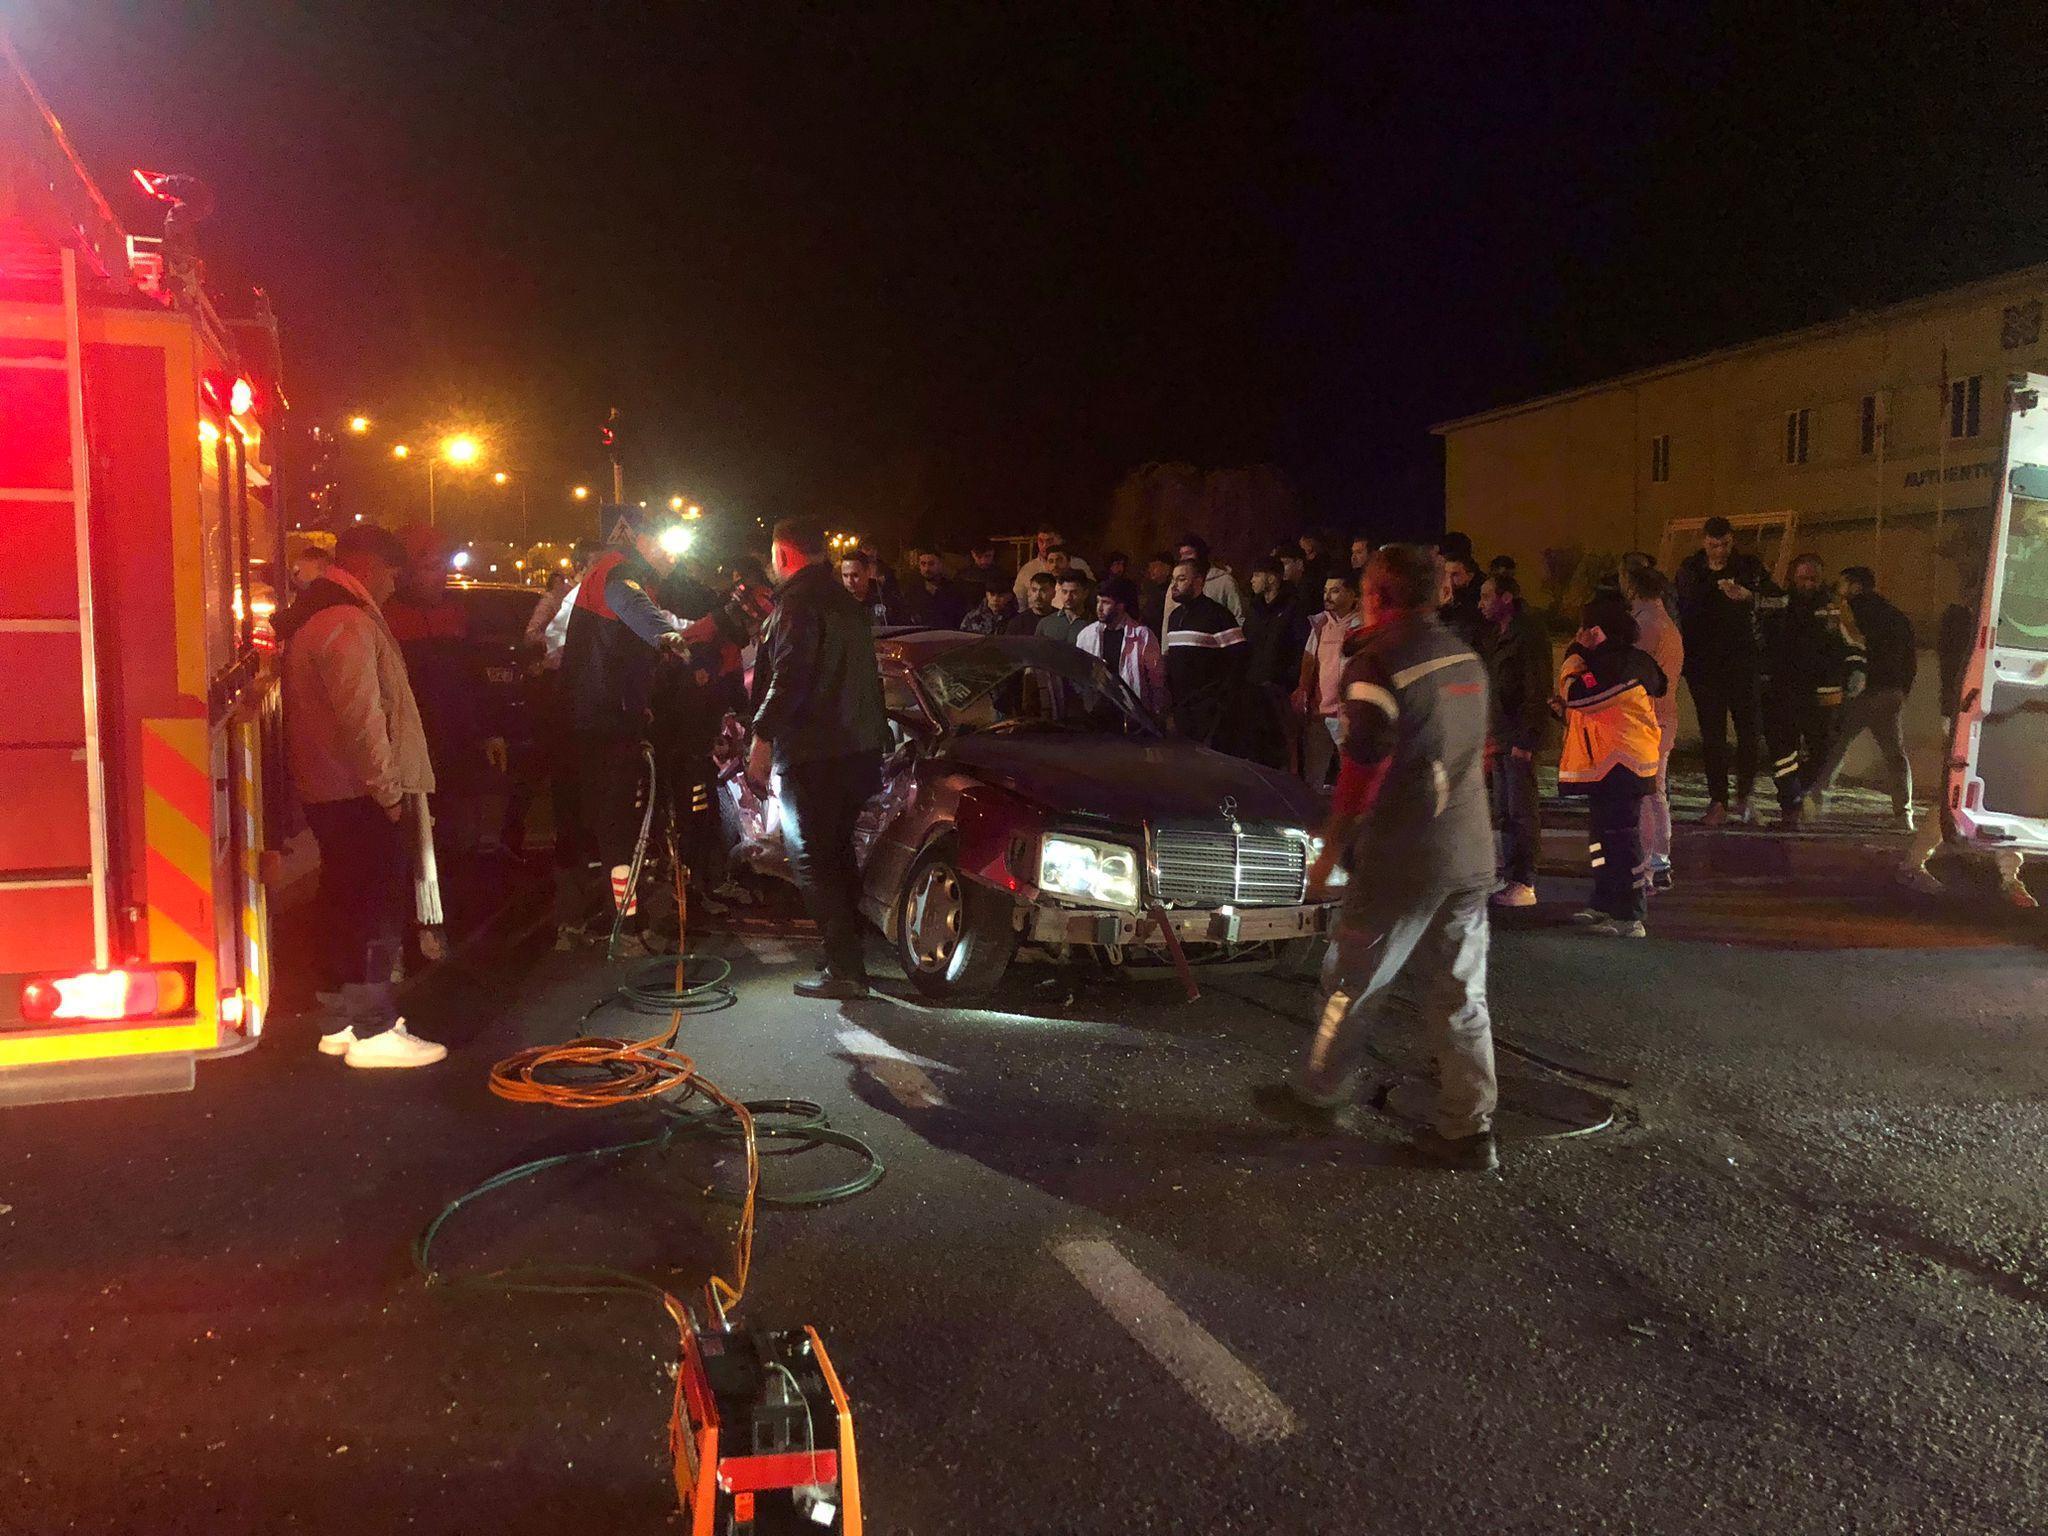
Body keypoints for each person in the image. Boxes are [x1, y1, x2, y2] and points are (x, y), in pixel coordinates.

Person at [1251, 544, 1500, 1172]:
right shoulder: (1465, 656)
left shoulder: (1378, 665)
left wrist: (1330, 850)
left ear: (1376, 595)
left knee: (1350, 982)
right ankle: (1469, 1130)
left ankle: (1319, 1094)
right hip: (1470, 851)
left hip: (1404, 857)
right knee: (1460, 994)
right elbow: (1476, 751)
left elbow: (1361, 771)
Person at [277, 522, 445, 1069]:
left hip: (332, 789)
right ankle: (374, 1030)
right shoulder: (347, 622)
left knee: (342, 903)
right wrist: (388, 792)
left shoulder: (322, 616)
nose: (395, 585)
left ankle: (340, 1022)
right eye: (393, 573)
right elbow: (364, 719)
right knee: (374, 906)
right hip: (357, 793)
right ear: (371, 567)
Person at [561, 505, 724, 954]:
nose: (672, 555)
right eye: (665, 545)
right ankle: (625, 927)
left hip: (610, 718)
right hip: (603, 725)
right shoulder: (619, 576)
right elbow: (643, 617)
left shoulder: (621, 575)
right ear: (639, 540)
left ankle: (613, 918)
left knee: (618, 825)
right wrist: (671, 639)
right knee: (618, 829)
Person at [747, 517, 891, 999]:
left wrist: (761, 738)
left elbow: (790, 677)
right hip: (858, 747)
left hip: (815, 751)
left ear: (783, 555)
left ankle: (845, 969)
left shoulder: (798, 603)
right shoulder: (846, 602)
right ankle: (845, 955)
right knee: (838, 852)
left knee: (811, 856)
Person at [385, 525, 509, 856]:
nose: (441, 576)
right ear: (408, 572)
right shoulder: (387, 617)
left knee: (459, 837)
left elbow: (475, 678)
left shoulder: (456, 614)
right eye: (431, 567)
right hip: (413, 747)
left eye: (441, 566)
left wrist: (490, 731)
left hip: (458, 745)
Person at [1556, 594, 1667, 938]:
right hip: (1608, 763)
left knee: (1621, 839)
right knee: (1601, 839)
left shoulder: (1621, 665)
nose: (1578, 635)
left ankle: (1630, 914)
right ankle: (1604, 900)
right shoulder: (1614, 662)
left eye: (1583, 628)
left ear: (1596, 631)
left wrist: (1573, 657)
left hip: (1622, 764)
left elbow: (1579, 695)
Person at [1675, 516, 1777, 825]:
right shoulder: (1691, 570)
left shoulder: (1749, 567)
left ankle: (1744, 797)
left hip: (1742, 662)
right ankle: (1718, 800)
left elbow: (1777, 599)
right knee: (1713, 735)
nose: (1719, 551)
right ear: (1704, 542)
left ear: (1732, 541)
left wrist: (1749, 597)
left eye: (1725, 545)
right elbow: (1682, 607)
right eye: (1713, 545)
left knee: (1748, 732)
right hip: (1704, 667)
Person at [1804, 566, 1916, 828]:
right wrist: (1902, 690)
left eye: (1843, 583)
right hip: (1890, 692)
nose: (1839, 588)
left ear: (1856, 586)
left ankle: (1813, 801)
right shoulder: (1896, 615)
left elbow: (1845, 647)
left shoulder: (1850, 612)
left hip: (1862, 690)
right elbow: (1910, 659)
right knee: (1895, 755)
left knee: (1837, 746)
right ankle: (1904, 814)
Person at [1759, 555, 1850, 829]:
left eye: (1814, 579)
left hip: (1822, 695)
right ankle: (1790, 808)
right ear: (1792, 578)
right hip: (1783, 692)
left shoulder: (1834, 609)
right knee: (1782, 755)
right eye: (1803, 579)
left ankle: (1800, 794)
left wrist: (1852, 674)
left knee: (1822, 753)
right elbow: (1765, 643)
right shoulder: (1779, 606)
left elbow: (1850, 644)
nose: (1809, 584)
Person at [1477, 572, 1550, 907]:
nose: (1481, 604)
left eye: (1487, 596)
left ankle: (1524, 880)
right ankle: (1510, 876)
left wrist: (1527, 738)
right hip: (1502, 734)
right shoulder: (1497, 635)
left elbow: (1535, 688)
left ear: (1506, 597)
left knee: (1521, 810)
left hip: (1517, 736)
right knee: (1505, 810)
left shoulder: (1528, 635)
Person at [1622, 564, 1684, 890]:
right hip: (1665, 716)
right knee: (1656, 793)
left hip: (1646, 719)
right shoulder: (1667, 624)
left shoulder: (1645, 626)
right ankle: (1659, 861)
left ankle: (1645, 865)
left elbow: (1633, 674)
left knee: (1643, 794)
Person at [1163, 558, 1248, 748]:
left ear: (1198, 581)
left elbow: (1239, 659)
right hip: (1181, 709)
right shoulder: (1175, 617)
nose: (1174, 585)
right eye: (1173, 580)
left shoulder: (1217, 615)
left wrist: (1219, 701)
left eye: (1181, 579)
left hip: (1209, 712)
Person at [1293, 573, 1364, 787]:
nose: (1327, 596)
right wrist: (1303, 692)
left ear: (1353, 595)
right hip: (1319, 714)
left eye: (1335, 591)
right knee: (1313, 778)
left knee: (1352, 776)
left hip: (1347, 715)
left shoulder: (1362, 627)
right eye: (1325, 591)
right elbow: (1308, 661)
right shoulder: (1320, 624)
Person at [1246, 556, 1307, 770]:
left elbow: (1301, 648)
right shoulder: (1254, 609)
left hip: (1280, 690)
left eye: (1257, 575)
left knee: (1282, 746)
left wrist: (1286, 681)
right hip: (1254, 688)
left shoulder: (1293, 608)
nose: (1252, 580)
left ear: (1272, 578)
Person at [1076, 576, 1167, 714]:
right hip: (1097, 710)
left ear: (1121, 605)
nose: (1099, 608)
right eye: (1098, 601)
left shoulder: (1143, 635)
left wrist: (1157, 709)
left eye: (1106, 602)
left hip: (1131, 711)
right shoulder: (1087, 635)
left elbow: (1156, 678)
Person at [1162, 533, 1245, 628]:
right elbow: (1167, 620)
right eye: (1181, 555)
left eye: (1188, 554)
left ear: (1201, 555)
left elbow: (1238, 616)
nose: (1184, 559)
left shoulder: (1224, 581)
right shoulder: (1175, 586)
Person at [1012, 526, 1092, 605]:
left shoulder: (1079, 565)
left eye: (1049, 541)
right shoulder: (1028, 569)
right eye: (1041, 541)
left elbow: (1091, 591)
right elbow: (1020, 600)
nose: (1044, 545)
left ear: (1060, 540)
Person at [899, 548, 968, 629]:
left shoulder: (954, 591)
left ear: (940, 565)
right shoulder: (911, 591)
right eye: (923, 564)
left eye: (931, 564)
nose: (927, 569)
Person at [1439, 552, 1484, 647]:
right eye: (1446, 574)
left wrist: (1443, 607)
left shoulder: (1478, 601)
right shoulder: (1443, 595)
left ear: (1470, 576)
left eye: (1455, 575)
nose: (1449, 580)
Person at [1037, 573, 1093, 645]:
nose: (1068, 597)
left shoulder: (1093, 624)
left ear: (1085, 593)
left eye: (1074, 592)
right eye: (1064, 592)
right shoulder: (1046, 623)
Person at [1009, 570, 1058, 636]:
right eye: (1034, 590)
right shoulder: (1017, 622)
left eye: (1043, 590)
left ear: (1054, 594)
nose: (1037, 596)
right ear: (1029, 592)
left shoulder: (1061, 620)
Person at [1137, 552, 1174, 636]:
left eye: (1155, 566)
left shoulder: (1171, 591)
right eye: (1150, 567)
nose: (1151, 570)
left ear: (1168, 569)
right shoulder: (1150, 589)